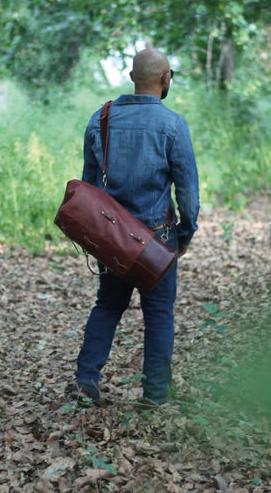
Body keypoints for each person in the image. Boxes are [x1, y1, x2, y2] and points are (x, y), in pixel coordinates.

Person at [72, 48, 200, 407]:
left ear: (131, 78)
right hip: (156, 240)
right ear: (166, 78)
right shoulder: (173, 125)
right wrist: (185, 236)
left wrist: (97, 236)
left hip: (112, 239)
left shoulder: (101, 119)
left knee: (108, 306)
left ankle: (86, 382)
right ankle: (155, 396)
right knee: (158, 314)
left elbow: (88, 188)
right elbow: (187, 193)